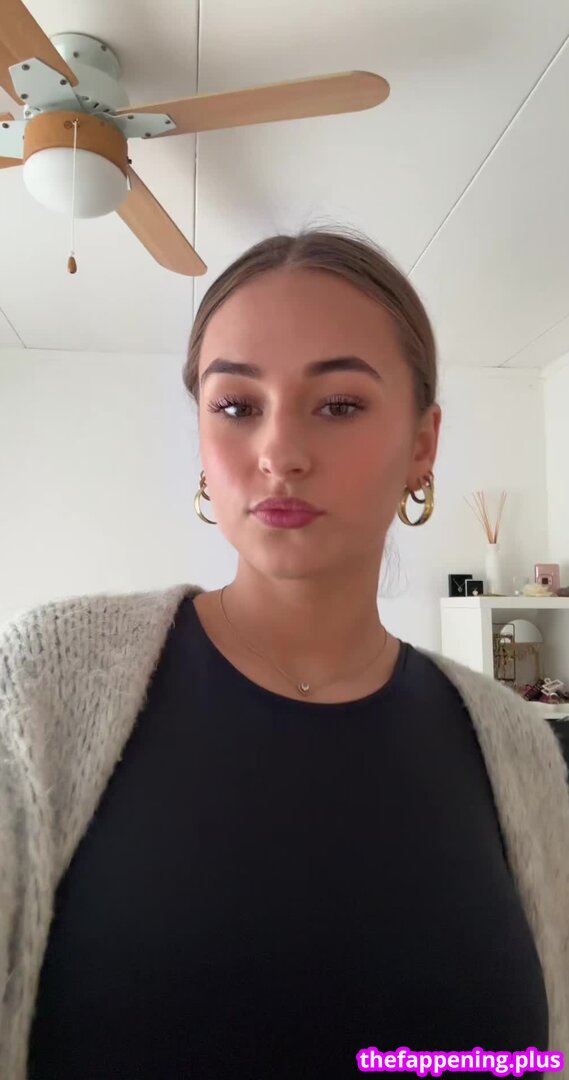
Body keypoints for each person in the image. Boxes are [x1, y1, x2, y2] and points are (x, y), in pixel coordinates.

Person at [1, 228, 568, 1080]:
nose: (278, 454)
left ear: (421, 445)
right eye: (236, 406)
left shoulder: (516, 748)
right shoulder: (42, 683)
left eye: (338, 405)